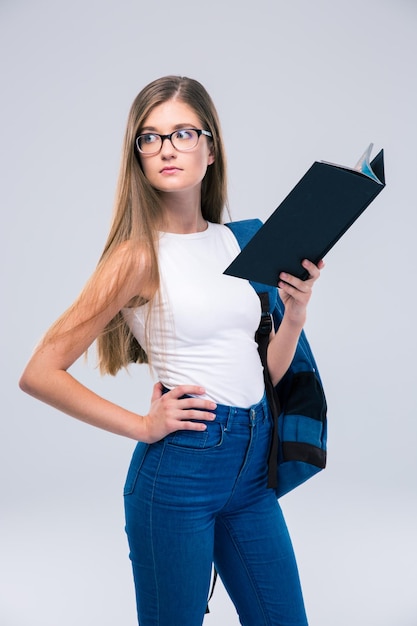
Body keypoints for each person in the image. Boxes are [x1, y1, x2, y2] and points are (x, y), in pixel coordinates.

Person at [19, 75, 324, 626]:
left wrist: (295, 314)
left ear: (210, 148)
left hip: (254, 469)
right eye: (150, 137)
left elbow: (266, 375)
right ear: (137, 155)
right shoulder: (136, 258)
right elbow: (40, 371)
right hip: (181, 470)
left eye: (183, 133)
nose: (166, 149)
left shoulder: (241, 241)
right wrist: (143, 425)